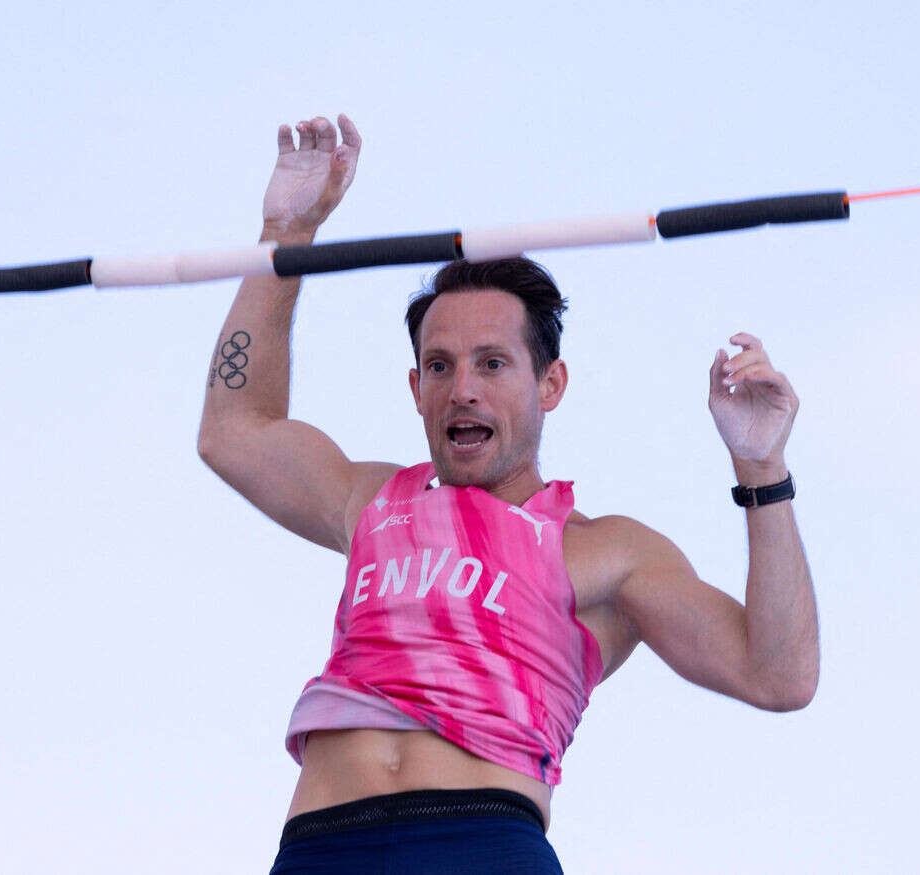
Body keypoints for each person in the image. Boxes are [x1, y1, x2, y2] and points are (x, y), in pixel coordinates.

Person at [197, 114, 819, 874]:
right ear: (416, 387)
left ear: (549, 384)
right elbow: (232, 431)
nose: (463, 389)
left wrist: (762, 469)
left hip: (482, 842)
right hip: (323, 846)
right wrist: (283, 235)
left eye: (493, 364)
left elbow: (779, 674)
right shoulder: (370, 500)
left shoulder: (603, 550)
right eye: (440, 366)